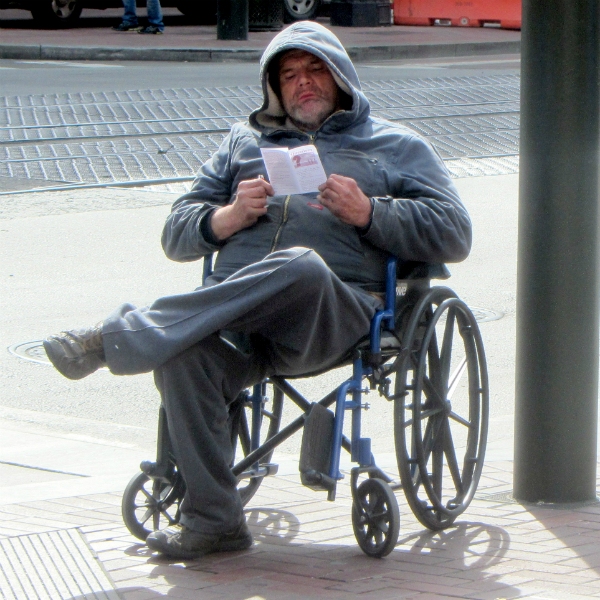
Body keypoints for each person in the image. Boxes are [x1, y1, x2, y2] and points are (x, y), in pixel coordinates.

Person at [43, 21, 472, 560]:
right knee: (182, 359)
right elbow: (176, 233)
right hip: (241, 324)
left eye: (315, 69)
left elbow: (456, 231)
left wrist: (370, 213)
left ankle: (116, 337)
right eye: (289, 74)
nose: (303, 82)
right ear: (274, 86)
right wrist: (225, 218)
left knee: (301, 265)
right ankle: (215, 522)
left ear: (341, 75)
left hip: (335, 314)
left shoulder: (396, 145)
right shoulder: (242, 143)